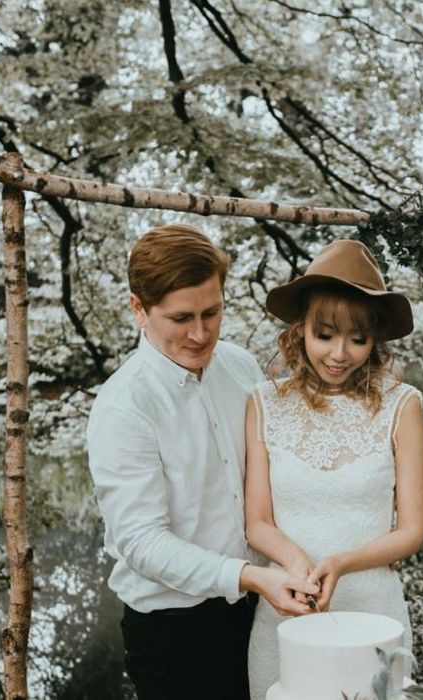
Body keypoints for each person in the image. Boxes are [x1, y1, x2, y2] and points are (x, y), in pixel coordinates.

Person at [86, 223, 318, 700]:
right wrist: (250, 576)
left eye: (212, 313)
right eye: (181, 318)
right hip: (173, 633)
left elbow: (272, 478)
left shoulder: (240, 367)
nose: (200, 333)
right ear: (138, 309)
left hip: (260, 609)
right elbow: (142, 541)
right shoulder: (122, 408)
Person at [245, 239, 423, 699]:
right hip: (287, 612)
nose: (339, 354)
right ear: (301, 329)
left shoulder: (402, 406)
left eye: (358, 338)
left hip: (375, 616)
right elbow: (257, 523)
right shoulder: (263, 403)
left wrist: (341, 564)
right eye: (325, 334)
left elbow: (411, 531)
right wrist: (294, 562)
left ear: (375, 339)